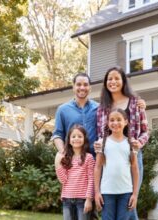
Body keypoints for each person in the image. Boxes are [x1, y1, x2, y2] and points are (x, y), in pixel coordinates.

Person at [95, 66, 149, 220]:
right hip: (109, 159)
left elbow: (145, 131)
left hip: (131, 156)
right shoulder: (101, 108)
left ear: (123, 81)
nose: (113, 82)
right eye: (109, 79)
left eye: (116, 78)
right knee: (117, 205)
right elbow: (101, 134)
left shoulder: (136, 103)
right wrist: (98, 145)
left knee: (130, 202)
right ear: (105, 83)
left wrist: (139, 142)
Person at [94, 108, 139, 220]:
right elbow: (98, 168)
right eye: (112, 120)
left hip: (126, 192)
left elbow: (135, 169)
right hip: (107, 192)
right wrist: (97, 192)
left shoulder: (131, 143)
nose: (115, 123)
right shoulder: (102, 143)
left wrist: (135, 194)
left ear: (126, 121)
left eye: (119, 119)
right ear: (108, 123)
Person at [55, 124, 95, 220]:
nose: (76, 139)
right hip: (67, 199)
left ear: (84, 139)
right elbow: (63, 180)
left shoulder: (89, 157)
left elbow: (91, 180)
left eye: (80, 136)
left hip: (82, 200)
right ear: (69, 140)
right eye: (73, 136)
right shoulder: (66, 158)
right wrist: (57, 163)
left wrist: (89, 199)